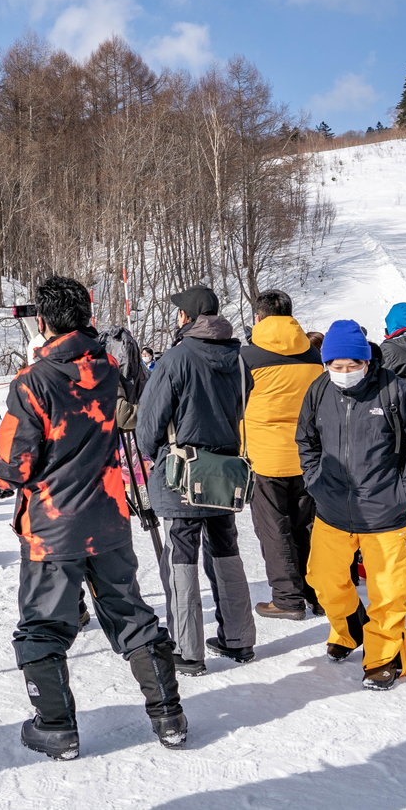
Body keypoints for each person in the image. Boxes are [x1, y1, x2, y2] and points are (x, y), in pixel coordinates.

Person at [0, 276, 186, 760]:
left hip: (53, 523)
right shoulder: (111, 368)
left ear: (43, 321)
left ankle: (56, 728)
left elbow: (13, 464)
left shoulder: (32, 382)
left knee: (44, 623)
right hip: (109, 513)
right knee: (130, 612)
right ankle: (169, 716)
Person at [297, 320, 406, 691]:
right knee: (322, 580)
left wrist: (404, 493)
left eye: (351, 366)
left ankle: (383, 658)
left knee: (388, 593)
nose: (343, 374)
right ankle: (349, 630)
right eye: (335, 367)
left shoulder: (395, 391)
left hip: (384, 513)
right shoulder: (318, 390)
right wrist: (315, 480)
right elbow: (306, 440)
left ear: (365, 362)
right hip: (332, 510)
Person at [138, 284, 258, 676]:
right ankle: (239, 638)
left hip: (183, 470)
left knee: (182, 555)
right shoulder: (239, 361)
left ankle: (188, 650)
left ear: (186, 318)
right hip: (224, 470)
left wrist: (159, 453)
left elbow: (149, 425)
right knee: (226, 549)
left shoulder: (176, 359)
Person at [239, 289, 324, 620]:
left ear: (258, 318)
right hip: (306, 454)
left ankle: (287, 599)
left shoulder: (248, 357)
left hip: (265, 455)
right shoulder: (312, 355)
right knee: (307, 526)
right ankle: (317, 593)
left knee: (274, 528)